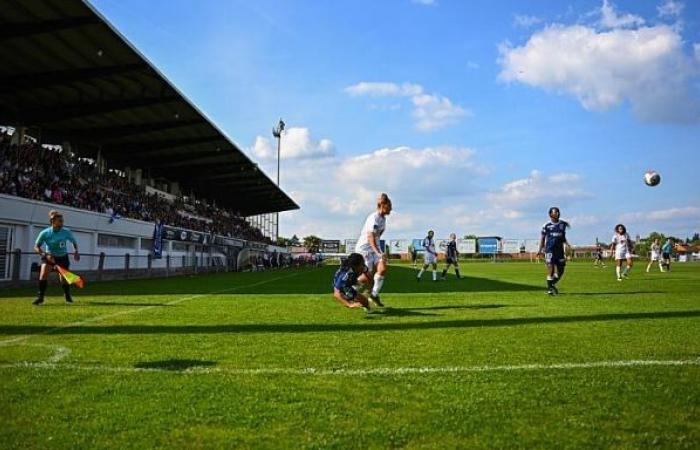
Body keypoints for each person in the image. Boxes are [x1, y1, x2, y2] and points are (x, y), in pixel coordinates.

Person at [33, 210, 80, 305]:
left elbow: (74, 242)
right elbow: (36, 247)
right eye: (60, 221)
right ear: (52, 222)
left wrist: (75, 251)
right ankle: (40, 297)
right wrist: (44, 254)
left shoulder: (66, 232)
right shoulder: (45, 233)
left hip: (63, 257)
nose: (62, 223)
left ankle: (67, 296)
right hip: (49, 256)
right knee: (43, 275)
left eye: (62, 221)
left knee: (63, 278)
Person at [355, 193, 392, 307]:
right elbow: (370, 237)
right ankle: (350, 287)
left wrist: (380, 253)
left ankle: (374, 294)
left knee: (383, 268)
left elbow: (378, 237)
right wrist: (378, 252)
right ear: (383, 205)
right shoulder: (374, 218)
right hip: (364, 249)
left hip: (374, 249)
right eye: (389, 206)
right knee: (367, 277)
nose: (391, 208)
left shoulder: (383, 220)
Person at [538, 207, 570, 295]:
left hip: (559, 251)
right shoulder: (546, 225)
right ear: (550, 215)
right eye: (556, 212)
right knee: (551, 268)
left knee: (561, 271)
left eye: (558, 212)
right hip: (549, 250)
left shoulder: (562, 224)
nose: (558, 214)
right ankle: (550, 289)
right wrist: (540, 250)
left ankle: (551, 285)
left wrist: (567, 244)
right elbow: (542, 238)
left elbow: (562, 236)